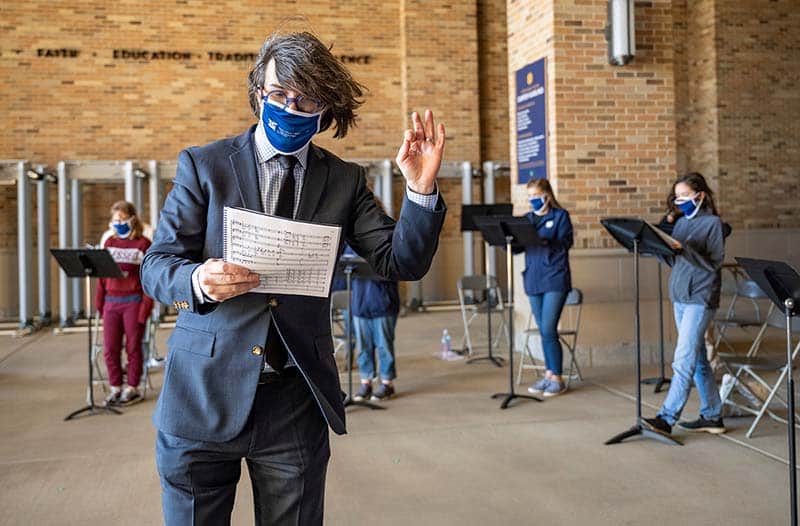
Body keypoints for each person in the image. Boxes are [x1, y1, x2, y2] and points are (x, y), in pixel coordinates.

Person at [141, 31, 446, 525]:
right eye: (278, 93)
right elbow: (156, 266)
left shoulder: (344, 180)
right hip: (202, 394)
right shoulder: (205, 165)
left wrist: (421, 188)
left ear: (326, 108)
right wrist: (198, 280)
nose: (288, 105)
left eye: (304, 98)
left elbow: (400, 262)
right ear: (257, 90)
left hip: (293, 399)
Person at [644, 172, 727, 436]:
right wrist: (662, 249)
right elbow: (676, 261)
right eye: (677, 196)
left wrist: (684, 249)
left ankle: (667, 418)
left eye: (684, 195)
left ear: (700, 195)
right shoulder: (680, 223)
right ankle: (713, 415)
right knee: (698, 358)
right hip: (680, 297)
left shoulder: (713, 224)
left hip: (700, 299)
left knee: (683, 359)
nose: (680, 201)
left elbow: (712, 265)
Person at [95, 201, 153, 406]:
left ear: (132, 219)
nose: (118, 223)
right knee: (110, 348)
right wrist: (99, 305)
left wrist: (145, 309)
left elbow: (149, 280)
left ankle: (133, 387)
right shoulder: (109, 243)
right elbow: (101, 278)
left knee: (133, 347)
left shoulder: (144, 244)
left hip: (134, 302)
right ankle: (115, 387)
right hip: (111, 301)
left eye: (121, 219)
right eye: (115, 220)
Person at [521, 178, 574, 398]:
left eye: (537, 195)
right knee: (544, 330)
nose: (533, 200)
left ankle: (558, 378)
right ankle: (549, 374)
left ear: (547, 195)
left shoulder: (560, 216)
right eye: (530, 196)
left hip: (555, 278)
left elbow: (565, 242)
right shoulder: (527, 219)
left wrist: (543, 240)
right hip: (533, 278)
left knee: (548, 329)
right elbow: (517, 247)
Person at [346, 221, 401, 402]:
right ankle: (366, 382)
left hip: (383, 302)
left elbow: (397, 268)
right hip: (360, 304)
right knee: (363, 347)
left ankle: (387, 383)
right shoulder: (350, 241)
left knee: (384, 345)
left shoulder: (389, 236)